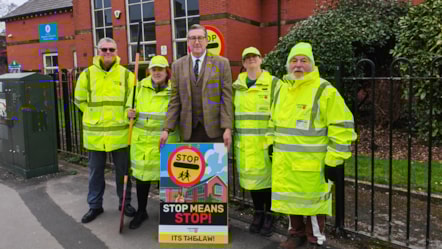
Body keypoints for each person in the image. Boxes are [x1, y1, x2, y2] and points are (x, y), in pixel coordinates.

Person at [270, 42, 357, 248]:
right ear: (287, 65)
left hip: (312, 165)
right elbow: (271, 121)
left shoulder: (324, 90)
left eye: (303, 60)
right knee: (291, 200)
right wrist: (269, 144)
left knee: (314, 204)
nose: (298, 65)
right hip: (286, 163)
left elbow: (343, 127)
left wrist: (334, 160)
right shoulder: (281, 90)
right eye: (294, 60)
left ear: (312, 64)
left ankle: (314, 240)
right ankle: (295, 234)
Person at [74, 37, 136, 224]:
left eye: (111, 49)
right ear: (98, 51)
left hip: (120, 134)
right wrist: (93, 115)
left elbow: (132, 100)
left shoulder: (126, 75)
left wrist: (130, 111)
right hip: (95, 135)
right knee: (95, 173)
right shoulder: (87, 74)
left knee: (123, 172)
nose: (108, 53)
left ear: (117, 51)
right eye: (104, 49)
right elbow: (79, 99)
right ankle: (95, 206)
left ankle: (125, 203)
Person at [126, 56, 180, 229]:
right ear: (149, 70)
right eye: (154, 69)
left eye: (161, 69)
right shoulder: (139, 87)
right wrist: (129, 113)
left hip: (166, 142)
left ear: (167, 71)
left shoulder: (174, 90)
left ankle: (168, 214)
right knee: (142, 179)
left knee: (166, 180)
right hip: (142, 143)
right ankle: (142, 211)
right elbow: (127, 108)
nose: (157, 72)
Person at [159, 24, 233, 148]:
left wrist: (227, 128)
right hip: (189, 131)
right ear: (188, 42)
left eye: (200, 38)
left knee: (213, 166)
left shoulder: (222, 64)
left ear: (206, 40)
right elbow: (175, 100)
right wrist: (166, 129)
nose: (196, 42)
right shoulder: (177, 66)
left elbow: (226, 98)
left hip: (215, 131)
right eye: (193, 38)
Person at [232, 47, 279, 236]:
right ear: (243, 63)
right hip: (244, 144)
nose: (251, 60)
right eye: (247, 58)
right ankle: (258, 212)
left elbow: (279, 113)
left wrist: (273, 140)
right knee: (252, 181)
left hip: (265, 144)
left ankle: (270, 215)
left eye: (254, 57)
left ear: (261, 60)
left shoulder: (274, 84)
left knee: (267, 182)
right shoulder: (237, 86)